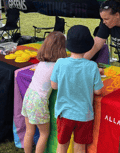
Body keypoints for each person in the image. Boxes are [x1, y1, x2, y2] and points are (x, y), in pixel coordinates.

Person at [51, 25, 103, 153]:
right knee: (80, 147)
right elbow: (98, 91)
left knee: (62, 145)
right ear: (88, 45)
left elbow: (54, 85)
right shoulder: (92, 67)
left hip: (64, 114)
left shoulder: (60, 63)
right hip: (84, 115)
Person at [21, 31, 67, 153]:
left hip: (28, 97)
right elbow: (56, 86)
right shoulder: (57, 66)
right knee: (44, 134)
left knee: (29, 131)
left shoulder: (41, 63)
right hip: (39, 102)